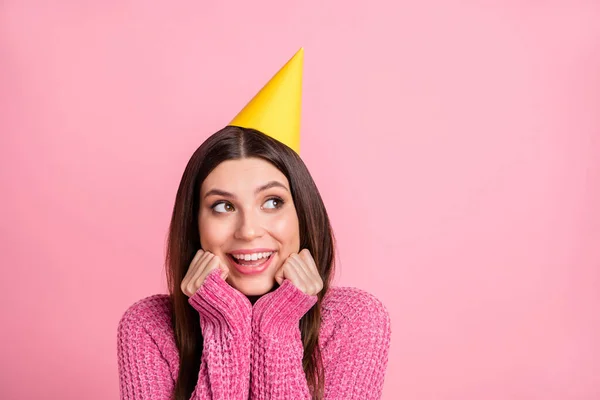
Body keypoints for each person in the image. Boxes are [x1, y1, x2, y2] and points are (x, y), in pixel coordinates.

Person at [117, 49, 391, 400]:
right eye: (223, 206)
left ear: (303, 215)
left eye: (272, 202)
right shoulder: (148, 327)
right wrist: (224, 325)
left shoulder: (356, 321)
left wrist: (276, 327)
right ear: (194, 225)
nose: (248, 230)